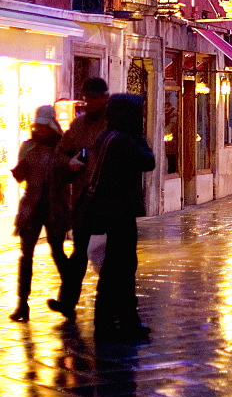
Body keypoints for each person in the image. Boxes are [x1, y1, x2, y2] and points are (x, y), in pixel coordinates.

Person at [74, 93, 155, 340]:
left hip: (112, 209)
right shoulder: (121, 140)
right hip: (117, 210)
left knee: (118, 266)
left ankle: (116, 319)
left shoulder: (106, 136)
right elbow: (148, 161)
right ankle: (117, 321)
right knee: (119, 267)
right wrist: (140, 137)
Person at [48, 77, 109, 319]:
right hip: (83, 197)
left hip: (107, 198)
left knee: (108, 255)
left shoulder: (113, 125)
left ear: (104, 98)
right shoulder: (80, 125)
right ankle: (67, 301)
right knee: (79, 251)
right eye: (87, 99)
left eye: (94, 98)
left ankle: (108, 305)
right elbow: (60, 152)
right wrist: (69, 162)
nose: (90, 103)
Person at [9, 106, 70, 322]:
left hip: (54, 208)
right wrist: (21, 168)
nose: (42, 130)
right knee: (26, 257)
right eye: (40, 126)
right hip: (32, 208)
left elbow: (68, 175)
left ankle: (68, 299)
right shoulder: (29, 147)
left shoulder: (62, 148)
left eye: (46, 126)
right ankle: (22, 303)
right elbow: (21, 177)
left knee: (58, 253)